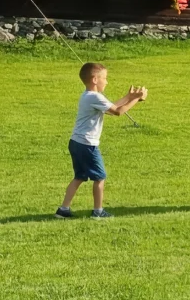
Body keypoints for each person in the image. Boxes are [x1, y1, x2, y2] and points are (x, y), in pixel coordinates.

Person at [57, 62, 146, 219]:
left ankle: (63, 209)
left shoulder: (89, 96)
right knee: (100, 177)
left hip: (76, 142)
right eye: (104, 78)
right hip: (87, 145)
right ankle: (98, 212)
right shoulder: (95, 97)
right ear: (95, 79)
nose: (107, 81)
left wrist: (129, 97)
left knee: (79, 177)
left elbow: (111, 108)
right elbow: (118, 112)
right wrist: (137, 99)